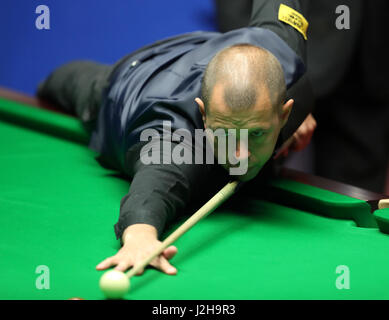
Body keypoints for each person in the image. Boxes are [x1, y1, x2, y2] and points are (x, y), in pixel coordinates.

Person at [37, 0, 314, 276]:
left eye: (256, 133)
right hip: (126, 84)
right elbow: (154, 188)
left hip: (200, 53)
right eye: (225, 134)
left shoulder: (284, 50)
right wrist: (140, 237)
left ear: (284, 112)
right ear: (204, 115)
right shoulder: (174, 142)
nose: (240, 155)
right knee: (60, 78)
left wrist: (288, 126)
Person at [215, 0, 389, 193]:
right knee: (245, 186)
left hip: (370, 62)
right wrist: (277, 85)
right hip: (290, 60)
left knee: (357, 203)